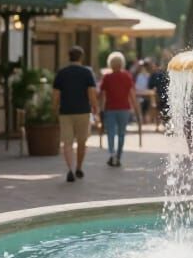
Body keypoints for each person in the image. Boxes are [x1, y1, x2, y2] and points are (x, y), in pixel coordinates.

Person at [53, 46, 98, 182]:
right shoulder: (87, 73)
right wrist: (95, 108)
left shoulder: (61, 73)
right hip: (83, 111)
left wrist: (54, 109)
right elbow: (91, 93)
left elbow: (55, 95)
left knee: (67, 142)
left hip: (65, 112)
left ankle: (70, 169)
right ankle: (79, 167)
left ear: (69, 56)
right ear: (81, 57)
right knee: (82, 142)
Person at [99, 51, 138, 167]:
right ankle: (119, 156)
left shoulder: (107, 77)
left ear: (110, 63)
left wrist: (101, 109)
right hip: (124, 109)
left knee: (111, 133)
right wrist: (136, 108)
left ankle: (112, 154)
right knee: (121, 134)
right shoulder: (127, 76)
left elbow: (103, 95)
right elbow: (132, 94)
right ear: (122, 63)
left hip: (110, 109)